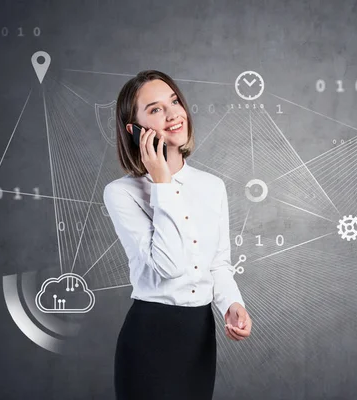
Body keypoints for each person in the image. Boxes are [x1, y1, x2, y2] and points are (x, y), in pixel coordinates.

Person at [103, 70, 252, 400]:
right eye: (155, 109)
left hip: (199, 336)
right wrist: (161, 183)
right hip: (150, 336)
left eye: (174, 102)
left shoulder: (213, 186)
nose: (173, 114)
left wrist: (232, 304)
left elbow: (218, 264)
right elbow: (169, 266)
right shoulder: (120, 193)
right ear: (134, 129)